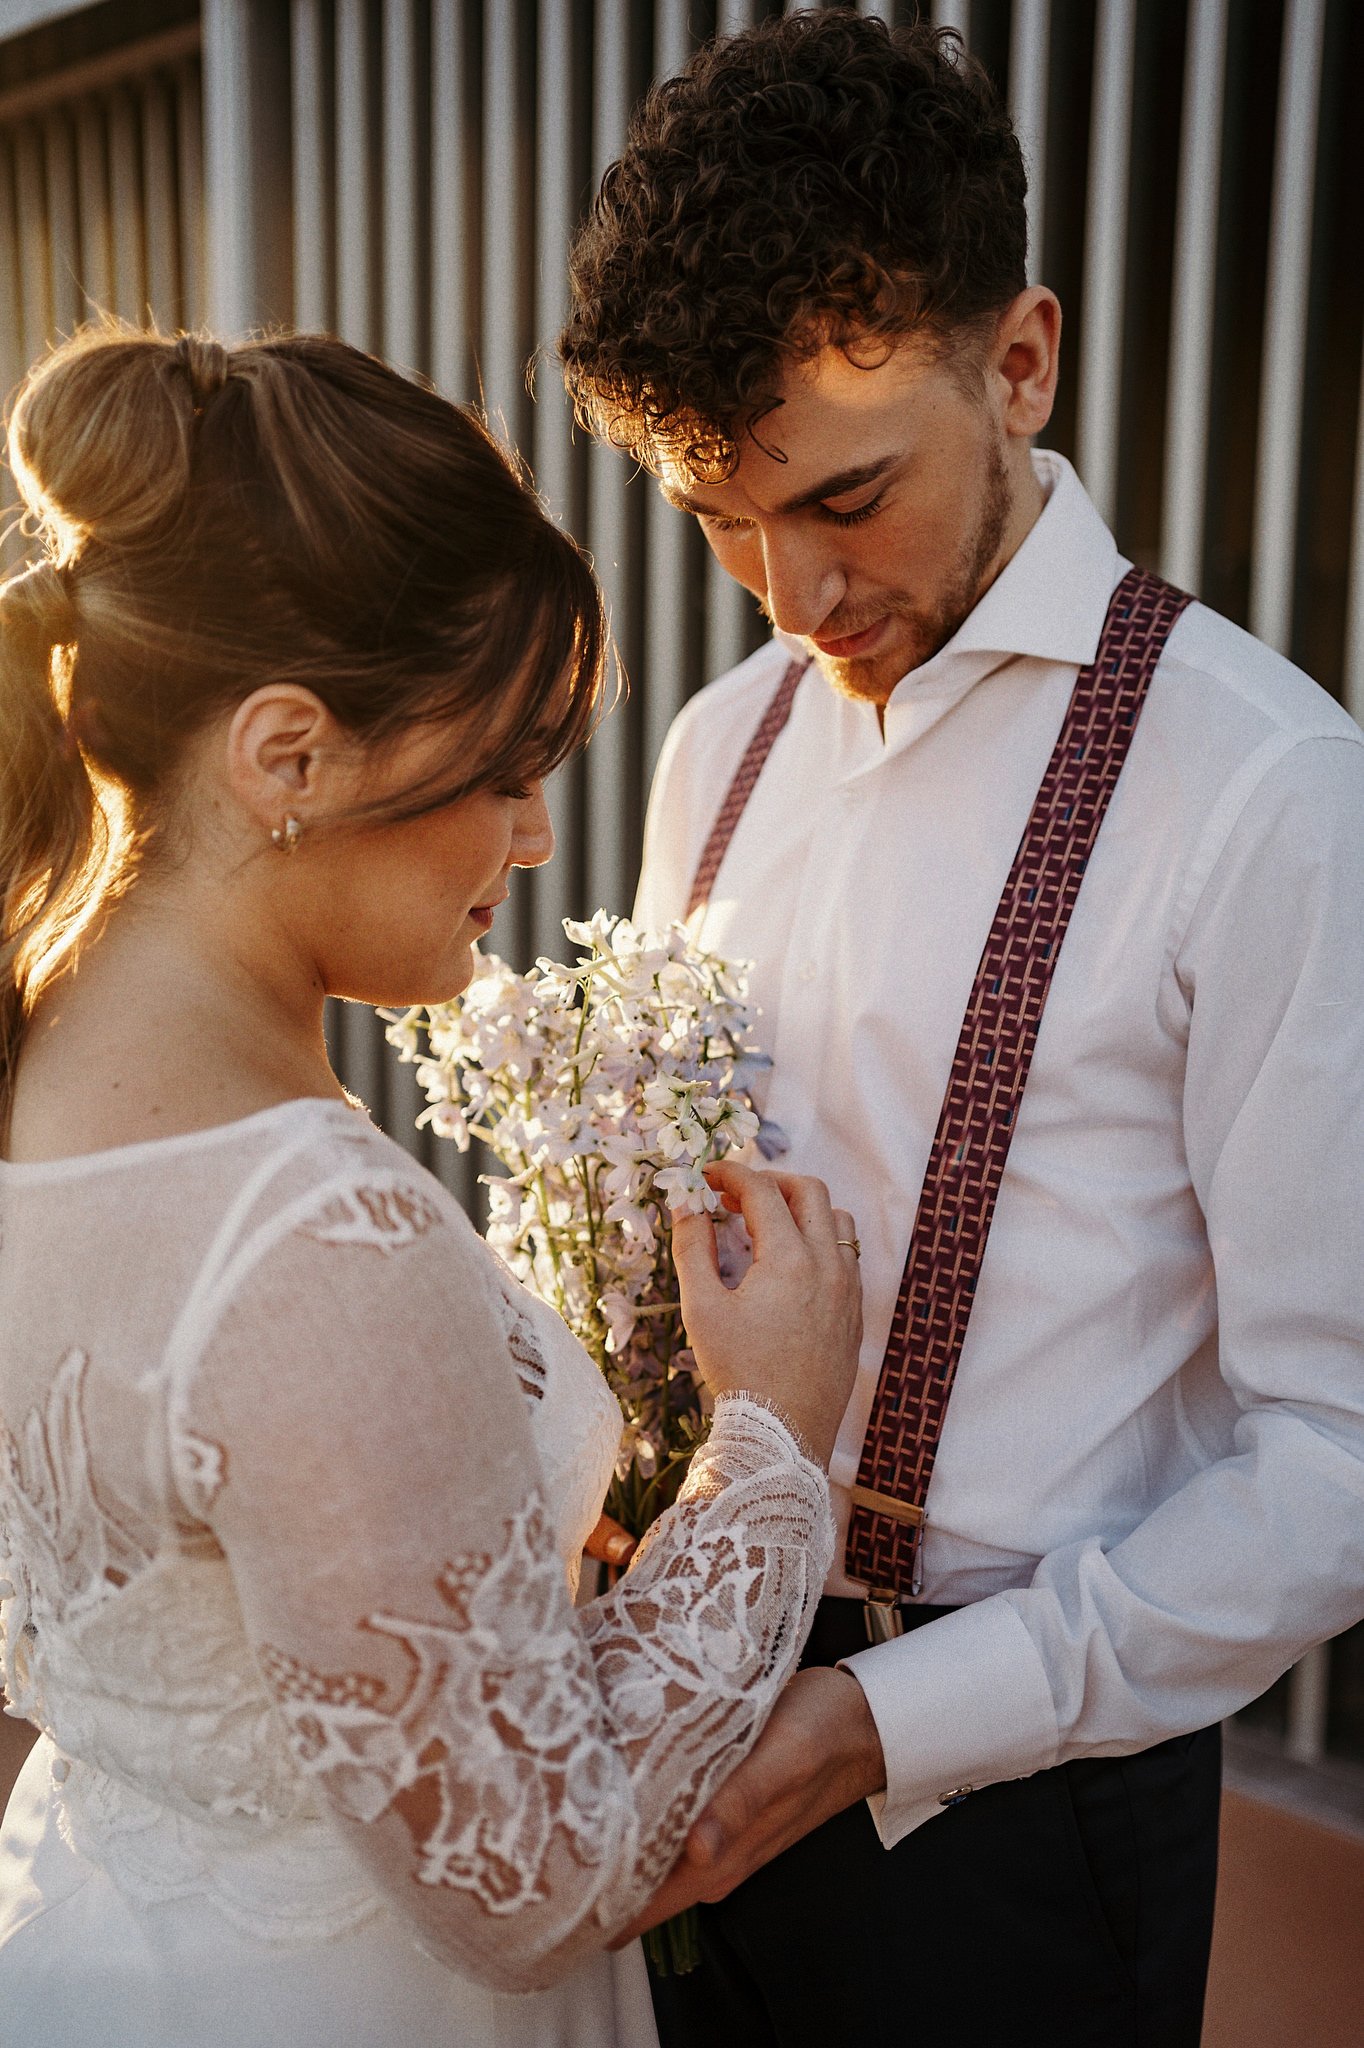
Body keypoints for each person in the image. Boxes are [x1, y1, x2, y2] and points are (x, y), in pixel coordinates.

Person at [559, 14, 1364, 2047]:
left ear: (1020, 360)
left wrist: (883, 1716)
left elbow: (1336, 1463)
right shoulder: (711, 746)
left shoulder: (1264, 785)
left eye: (843, 495)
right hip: (676, 1694)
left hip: (1019, 1805)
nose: (789, 589)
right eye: (717, 519)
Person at [0, 323, 864, 2048]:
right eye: (505, 771)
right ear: (288, 755)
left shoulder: (34, 1065)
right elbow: (531, 1879)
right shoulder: (315, 1239)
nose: (535, 838)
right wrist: (769, 1449)